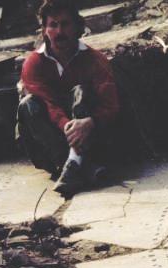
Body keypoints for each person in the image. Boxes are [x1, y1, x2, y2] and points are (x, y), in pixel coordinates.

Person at [16, 0, 120, 198]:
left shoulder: (95, 59)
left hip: (89, 139)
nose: (59, 31)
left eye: (65, 24)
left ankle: (75, 166)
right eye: (53, 25)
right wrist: (69, 127)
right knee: (28, 104)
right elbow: (48, 104)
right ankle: (81, 166)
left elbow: (111, 105)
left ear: (77, 27)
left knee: (81, 91)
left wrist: (90, 122)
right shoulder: (34, 63)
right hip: (48, 146)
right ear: (45, 30)